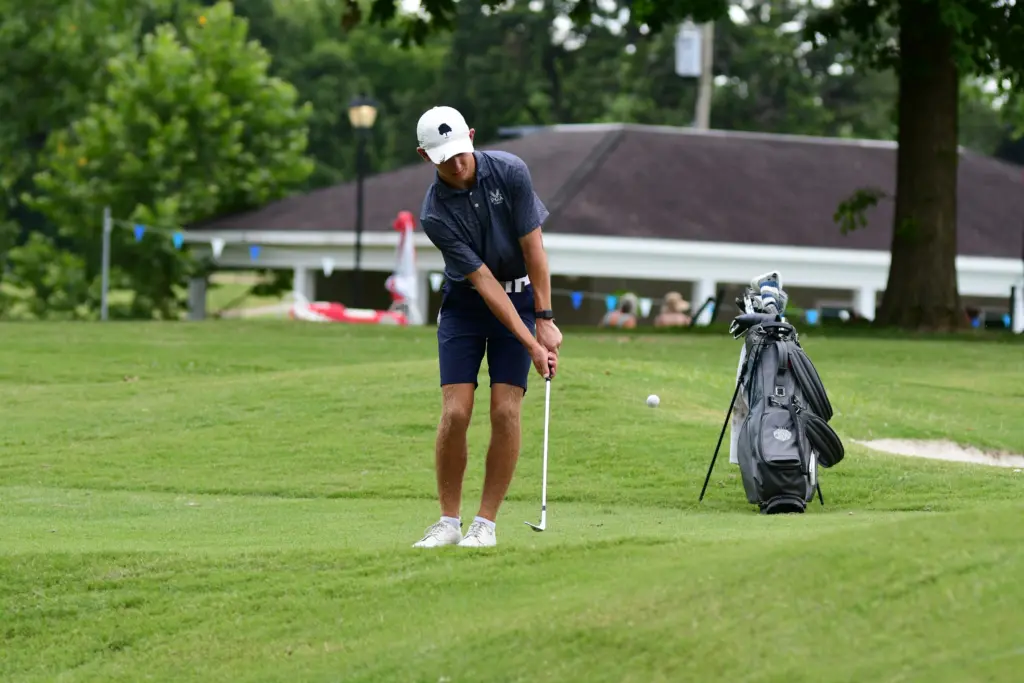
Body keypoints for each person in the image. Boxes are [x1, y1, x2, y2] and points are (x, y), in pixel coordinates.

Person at [411, 105, 563, 548]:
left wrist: (545, 320)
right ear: (425, 156)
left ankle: (485, 525)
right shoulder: (434, 214)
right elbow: (482, 281)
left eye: (461, 152)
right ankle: (448, 522)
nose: (458, 164)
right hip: (466, 305)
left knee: (505, 410)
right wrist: (532, 344)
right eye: (445, 158)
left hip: (521, 296)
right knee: (456, 412)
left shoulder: (510, 171)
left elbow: (534, 249)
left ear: (472, 136)